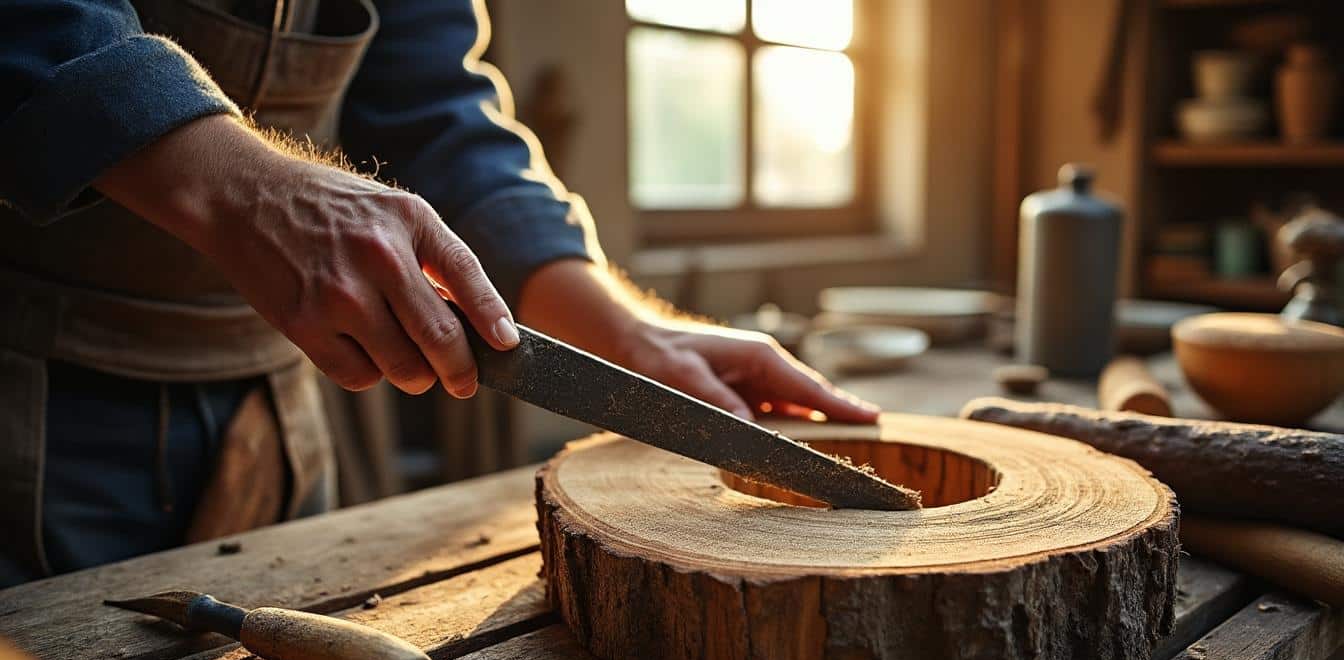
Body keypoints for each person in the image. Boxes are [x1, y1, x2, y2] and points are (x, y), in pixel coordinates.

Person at [0, 0, 879, 587]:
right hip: (33, 396)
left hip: (274, 412)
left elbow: (436, 112)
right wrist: (243, 186)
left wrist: (627, 333)